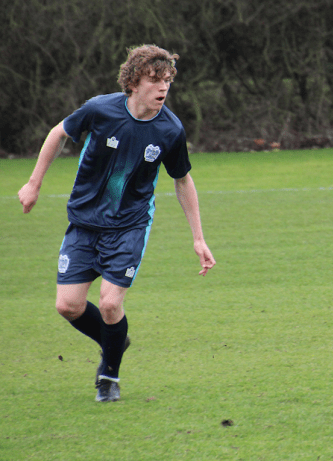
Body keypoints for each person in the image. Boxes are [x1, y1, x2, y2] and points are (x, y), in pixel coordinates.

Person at [17, 44, 216, 403]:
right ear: (135, 81)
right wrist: (34, 183)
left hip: (129, 225)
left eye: (168, 80)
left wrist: (198, 239)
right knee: (68, 306)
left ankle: (109, 374)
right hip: (85, 221)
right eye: (156, 79)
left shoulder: (170, 129)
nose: (163, 87)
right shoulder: (100, 109)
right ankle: (115, 341)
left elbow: (183, 180)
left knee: (110, 304)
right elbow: (57, 133)